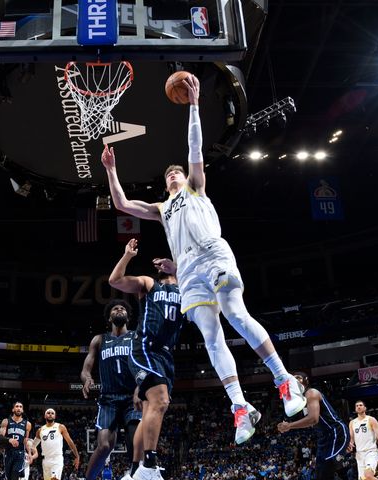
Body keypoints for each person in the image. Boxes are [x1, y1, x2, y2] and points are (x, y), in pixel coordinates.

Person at [101, 73, 305, 445]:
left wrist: (194, 106)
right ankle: (240, 407)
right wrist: (112, 171)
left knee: (236, 314)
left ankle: (284, 380)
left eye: (177, 170)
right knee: (212, 338)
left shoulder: (196, 187)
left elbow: (194, 149)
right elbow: (122, 204)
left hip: (214, 253)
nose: (175, 173)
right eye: (170, 174)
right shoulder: (163, 208)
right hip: (190, 271)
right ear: (166, 185)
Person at [107, 238, 185, 480]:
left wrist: (178, 267)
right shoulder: (150, 284)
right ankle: (149, 464)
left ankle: (134, 472)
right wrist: (127, 256)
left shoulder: (186, 288)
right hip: (145, 348)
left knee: (153, 407)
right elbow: (115, 280)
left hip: (165, 356)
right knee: (161, 401)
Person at [70, 299, 143, 480]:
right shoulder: (99, 340)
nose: (119, 309)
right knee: (103, 446)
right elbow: (86, 369)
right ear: (109, 317)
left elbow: (146, 364)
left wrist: (141, 387)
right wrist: (87, 379)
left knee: (135, 445)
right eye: (114, 309)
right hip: (109, 399)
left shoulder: (136, 337)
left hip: (133, 398)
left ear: (128, 317)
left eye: (123, 308)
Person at [277, 373, 369, 480]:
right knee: (322, 477)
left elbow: (313, 418)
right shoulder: (301, 400)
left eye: (298, 378)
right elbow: (314, 422)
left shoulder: (311, 393)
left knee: (326, 474)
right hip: (324, 438)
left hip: (335, 433)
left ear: (305, 381)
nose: (294, 380)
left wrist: (289, 426)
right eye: (292, 379)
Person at [31, 407, 79, 480]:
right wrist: (29, 451)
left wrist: (77, 456)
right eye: (48, 413)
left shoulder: (60, 427)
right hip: (45, 460)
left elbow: (70, 442)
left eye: (52, 413)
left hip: (57, 459)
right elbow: (33, 445)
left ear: (55, 416)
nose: (50, 414)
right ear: (45, 416)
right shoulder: (40, 430)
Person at [0, 401, 33, 480]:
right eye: (17, 406)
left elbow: (25, 441)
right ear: (13, 409)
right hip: (8, 455)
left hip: (19, 455)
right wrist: (9, 440)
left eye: (21, 406)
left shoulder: (27, 424)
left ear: (22, 410)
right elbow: (0, 438)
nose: (19, 408)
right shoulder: (6, 421)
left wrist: (29, 453)